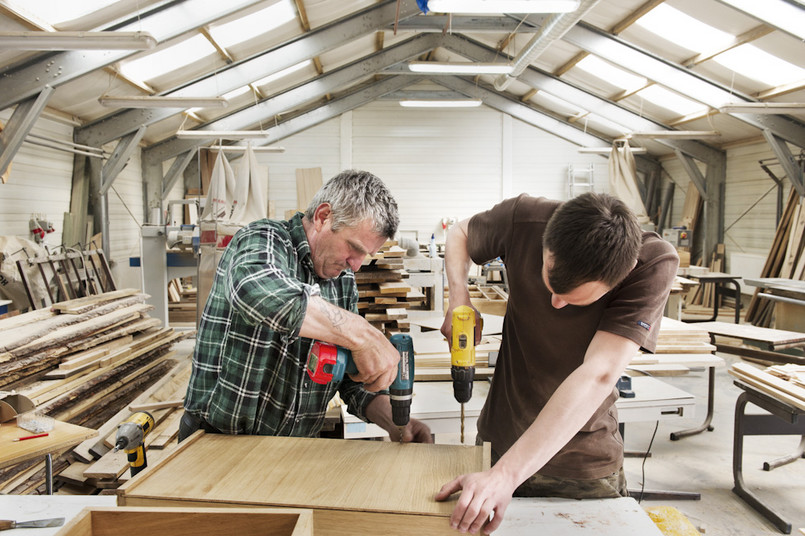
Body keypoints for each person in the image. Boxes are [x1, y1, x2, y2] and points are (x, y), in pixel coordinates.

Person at [435, 192, 678, 534]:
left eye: (574, 299)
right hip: (499, 443)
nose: (555, 303)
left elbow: (598, 374)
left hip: (582, 463)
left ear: (624, 274)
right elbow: (460, 233)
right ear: (546, 242)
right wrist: (459, 298)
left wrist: (505, 475)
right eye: (551, 282)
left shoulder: (652, 263)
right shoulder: (525, 219)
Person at [180, 169, 432, 444]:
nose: (357, 264)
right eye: (353, 247)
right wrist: (361, 334)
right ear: (323, 217)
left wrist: (396, 423)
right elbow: (255, 293)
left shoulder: (342, 281)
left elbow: (349, 379)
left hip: (294, 450)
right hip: (215, 444)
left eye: (365, 255)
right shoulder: (263, 239)